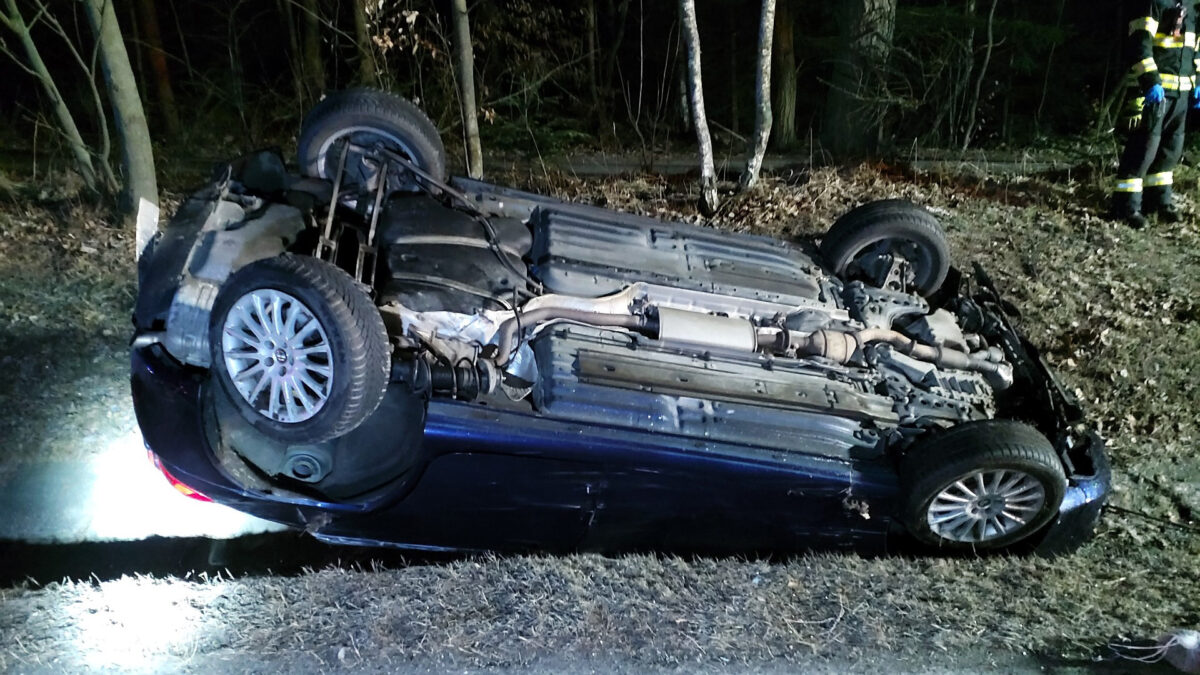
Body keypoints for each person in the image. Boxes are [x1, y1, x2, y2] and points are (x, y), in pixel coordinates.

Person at [1112, 0, 1200, 228]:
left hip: (1181, 93)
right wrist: (1150, 81)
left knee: (1170, 151)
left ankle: (1159, 203)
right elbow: (1139, 42)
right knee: (1143, 149)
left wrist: (1197, 82)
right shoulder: (1155, 2)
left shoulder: (1192, 6)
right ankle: (1126, 207)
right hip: (1156, 92)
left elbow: (1195, 48)